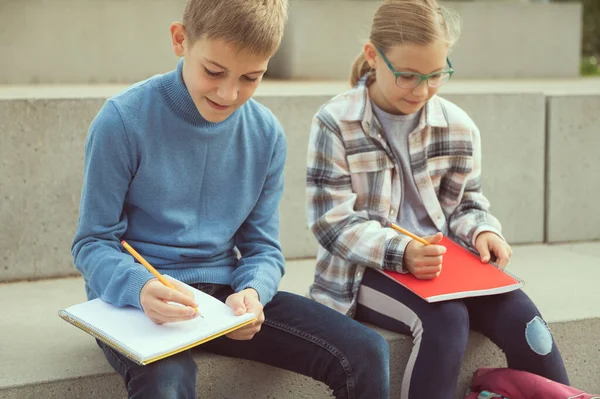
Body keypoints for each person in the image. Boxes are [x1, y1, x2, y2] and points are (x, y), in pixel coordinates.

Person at [71, 1, 390, 397]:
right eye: (213, 71)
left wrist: (253, 291)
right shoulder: (122, 121)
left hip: (224, 300)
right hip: (136, 300)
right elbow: (92, 242)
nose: (229, 92)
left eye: (251, 77)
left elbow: (263, 249)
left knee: (366, 350)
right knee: (166, 378)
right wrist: (138, 287)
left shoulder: (266, 135)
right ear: (180, 40)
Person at [305, 1, 570, 398]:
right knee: (446, 320)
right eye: (408, 76)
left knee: (529, 324)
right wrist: (404, 251)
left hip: (447, 267)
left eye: (436, 75)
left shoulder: (458, 125)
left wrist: (482, 232)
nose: (423, 89)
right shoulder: (335, 121)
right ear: (372, 57)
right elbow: (332, 224)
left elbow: (466, 204)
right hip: (365, 270)